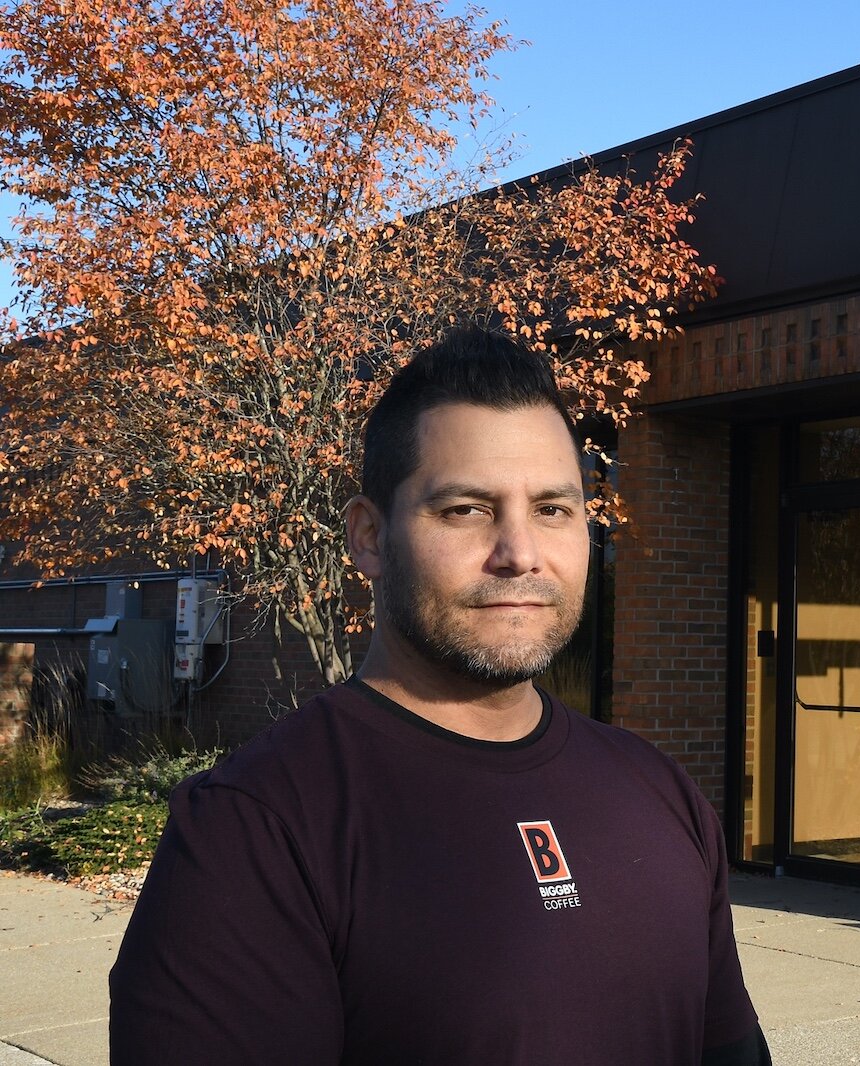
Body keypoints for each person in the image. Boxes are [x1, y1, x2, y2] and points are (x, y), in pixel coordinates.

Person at [109, 325, 771, 1065]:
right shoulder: (255, 829)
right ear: (368, 538)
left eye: (553, 509)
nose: (520, 553)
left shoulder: (657, 791)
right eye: (465, 509)